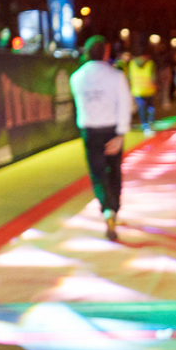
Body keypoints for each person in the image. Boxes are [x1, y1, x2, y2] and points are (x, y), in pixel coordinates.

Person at [70, 35, 131, 242]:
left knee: (97, 174)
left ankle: (106, 208)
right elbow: (124, 104)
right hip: (111, 129)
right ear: (105, 52)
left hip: (90, 130)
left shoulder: (77, 77)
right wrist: (121, 133)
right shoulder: (116, 76)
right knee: (113, 171)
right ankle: (113, 208)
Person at [127, 44, 158, 134]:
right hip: (149, 90)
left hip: (137, 90)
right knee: (150, 108)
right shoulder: (150, 63)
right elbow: (153, 77)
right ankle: (150, 123)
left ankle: (144, 125)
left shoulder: (132, 64)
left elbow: (129, 77)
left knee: (141, 109)